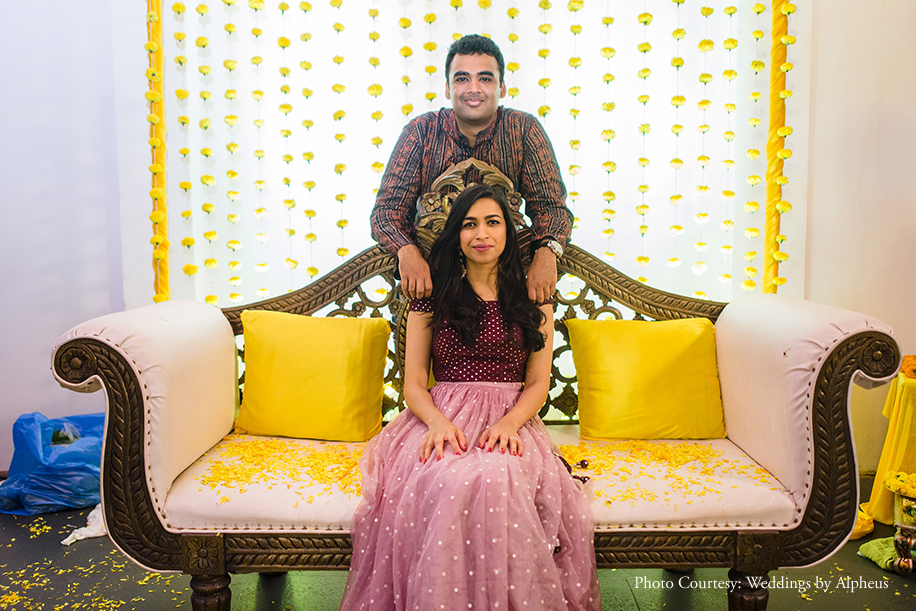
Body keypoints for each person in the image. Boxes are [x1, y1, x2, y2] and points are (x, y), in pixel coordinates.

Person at [340, 184, 600, 611]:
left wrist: (509, 424)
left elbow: (538, 382)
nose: (482, 234)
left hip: (511, 417)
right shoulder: (433, 299)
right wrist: (437, 423)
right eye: (469, 224)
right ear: (457, 236)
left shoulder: (533, 298)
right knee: (447, 476)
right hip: (441, 416)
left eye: (492, 222)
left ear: (507, 233)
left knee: (500, 475)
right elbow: (413, 384)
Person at [370, 34, 573, 305]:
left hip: (506, 290)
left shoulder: (523, 130)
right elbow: (387, 212)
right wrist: (406, 251)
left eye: (485, 79)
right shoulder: (421, 132)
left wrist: (547, 253)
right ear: (447, 88)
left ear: (502, 87)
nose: (473, 88)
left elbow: (552, 208)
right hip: (432, 289)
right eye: (462, 78)